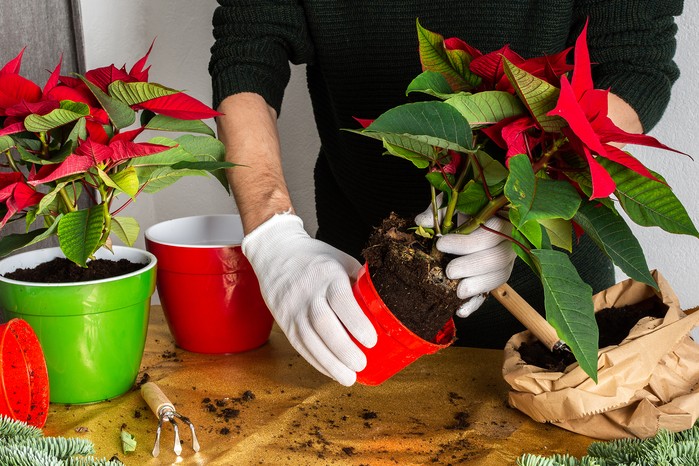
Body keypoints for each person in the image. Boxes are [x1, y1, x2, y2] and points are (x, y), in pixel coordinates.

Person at [209, 1, 683, 386]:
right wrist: (272, 235)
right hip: (353, 302)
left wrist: (519, 208)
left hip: (551, 331)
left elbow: (633, 64)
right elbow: (249, 47)